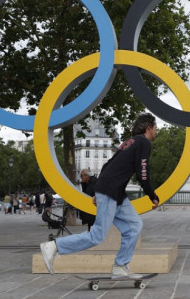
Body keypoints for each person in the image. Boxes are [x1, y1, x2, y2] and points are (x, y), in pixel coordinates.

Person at [40, 113, 160, 278]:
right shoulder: (143, 142)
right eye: (155, 127)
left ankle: (120, 266)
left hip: (115, 192)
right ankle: (54, 246)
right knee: (98, 235)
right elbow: (143, 174)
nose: (157, 130)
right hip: (111, 190)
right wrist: (152, 195)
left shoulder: (128, 143)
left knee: (134, 226)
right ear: (148, 128)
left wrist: (98, 191)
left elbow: (107, 165)